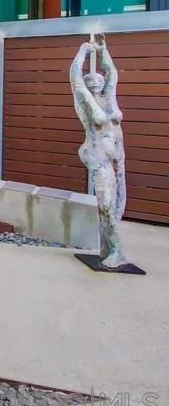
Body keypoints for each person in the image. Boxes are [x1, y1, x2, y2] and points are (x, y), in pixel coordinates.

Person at [69, 33, 129, 269]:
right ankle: (116, 251)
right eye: (90, 80)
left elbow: (112, 73)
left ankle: (107, 247)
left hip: (117, 157)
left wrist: (102, 50)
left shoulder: (109, 98)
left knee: (118, 205)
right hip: (99, 157)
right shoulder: (86, 104)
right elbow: (74, 78)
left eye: (97, 80)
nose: (94, 83)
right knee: (105, 204)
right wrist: (83, 52)